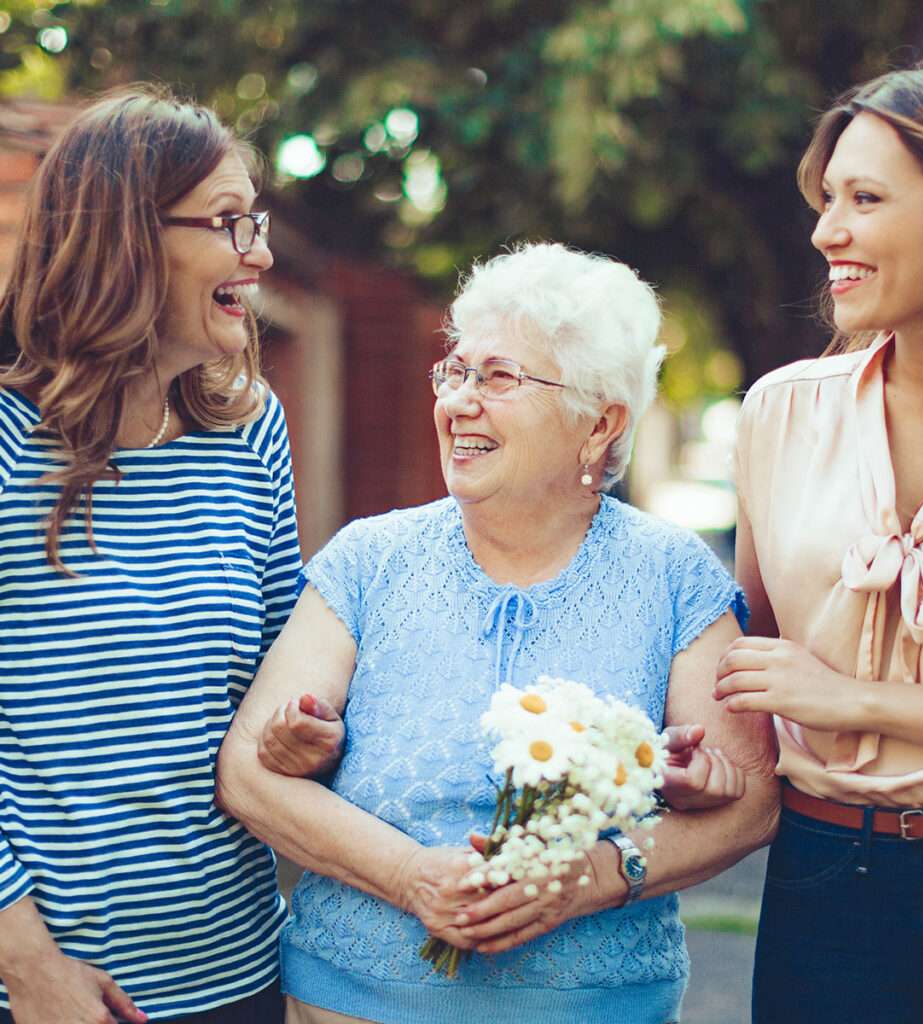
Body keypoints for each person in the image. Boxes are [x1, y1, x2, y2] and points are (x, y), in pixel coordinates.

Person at [216, 242, 779, 1024]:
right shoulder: (371, 560)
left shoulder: (672, 574)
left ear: (599, 423)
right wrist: (411, 874)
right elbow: (248, 771)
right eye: (455, 372)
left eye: (500, 377)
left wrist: (593, 876)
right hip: (355, 1004)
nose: (459, 401)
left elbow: (749, 801)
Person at [713, 61, 923, 1022]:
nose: (825, 232)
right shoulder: (777, 415)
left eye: (865, 199)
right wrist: (707, 760)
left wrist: (849, 698)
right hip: (826, 884)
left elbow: (814, 691)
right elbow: (752, 669)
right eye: (826, 199)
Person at [0, 86, 303, 1023]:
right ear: (125, 236)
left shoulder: (249, 429)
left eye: (256, 220)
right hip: (56, 993)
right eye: (227, 223)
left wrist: (303, 730)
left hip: (241, 975)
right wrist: (28, 967)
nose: (258, 253)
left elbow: (279, 675)